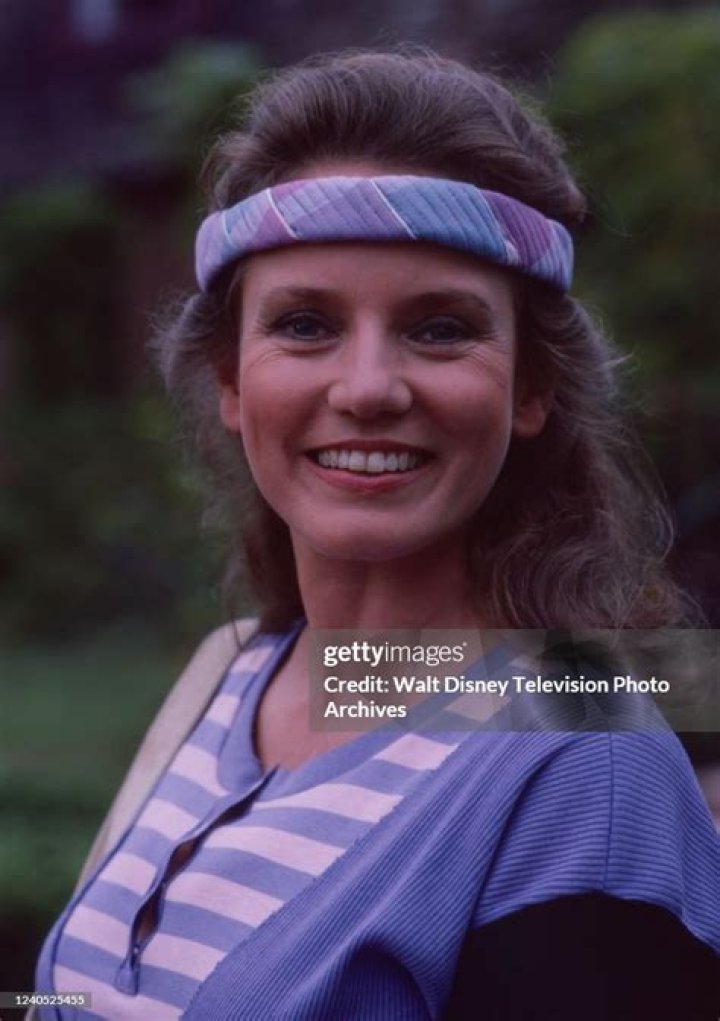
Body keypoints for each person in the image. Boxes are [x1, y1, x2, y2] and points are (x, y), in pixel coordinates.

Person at [33, 49, 719, 1019]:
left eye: (440, 329)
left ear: (531, 388)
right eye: (306, 324)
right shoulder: (231, 672)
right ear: (231, 381)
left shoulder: (583, 770)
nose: (366, 389)